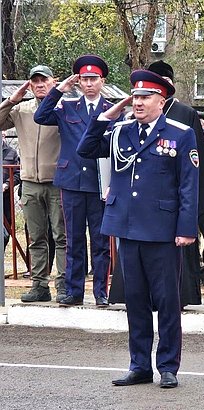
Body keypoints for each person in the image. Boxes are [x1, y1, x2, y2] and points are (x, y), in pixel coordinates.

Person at [77, 70, 199, 388]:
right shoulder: (120, 131)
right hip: (128, 227)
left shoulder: (180, 133)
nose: (139, 102)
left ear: (162, 100)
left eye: (146, 97)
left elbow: (188, 186)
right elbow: (86, 148)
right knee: (135, 300)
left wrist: (186, 228)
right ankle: (139, 364)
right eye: (136, 96)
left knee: (168, 301)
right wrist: (110, 112)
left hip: (162, 229)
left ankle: (168, 366)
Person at [106, 60, 204, 306]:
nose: (139, 100)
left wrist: (190, 216)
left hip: (167, 212)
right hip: (136, 213)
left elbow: (195, 167)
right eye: (137, 95)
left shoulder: (185, 117)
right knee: (135, 291)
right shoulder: (128, 124)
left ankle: (184, 295)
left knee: (171, 285)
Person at [34, 55, 113, 307]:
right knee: (73, 239)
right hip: (72, 181)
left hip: (99, 182)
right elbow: (40, 116)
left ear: (102, 81)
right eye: (84, 79)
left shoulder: (111, 110)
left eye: (93, 79)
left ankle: (101, 291)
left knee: (101, 241)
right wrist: (59, 90)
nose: (89, 83)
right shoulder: (67, 107)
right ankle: (74, 291)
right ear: (78, 82)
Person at [0, 65, 67, 303]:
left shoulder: (63, 108)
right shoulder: (22, 109)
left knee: (62, 237)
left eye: (43, 80)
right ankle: (39, 285)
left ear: (53, 82)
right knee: (36, 238)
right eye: (34, 81)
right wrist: (11, 99)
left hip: (58, 182)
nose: (39, 85)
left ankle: (64, 286)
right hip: (29, 182)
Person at [2, 133, 20, 249]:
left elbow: (18, 174)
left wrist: (7, 184)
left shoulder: (11, 153)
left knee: (5, 233)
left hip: (5, 199)